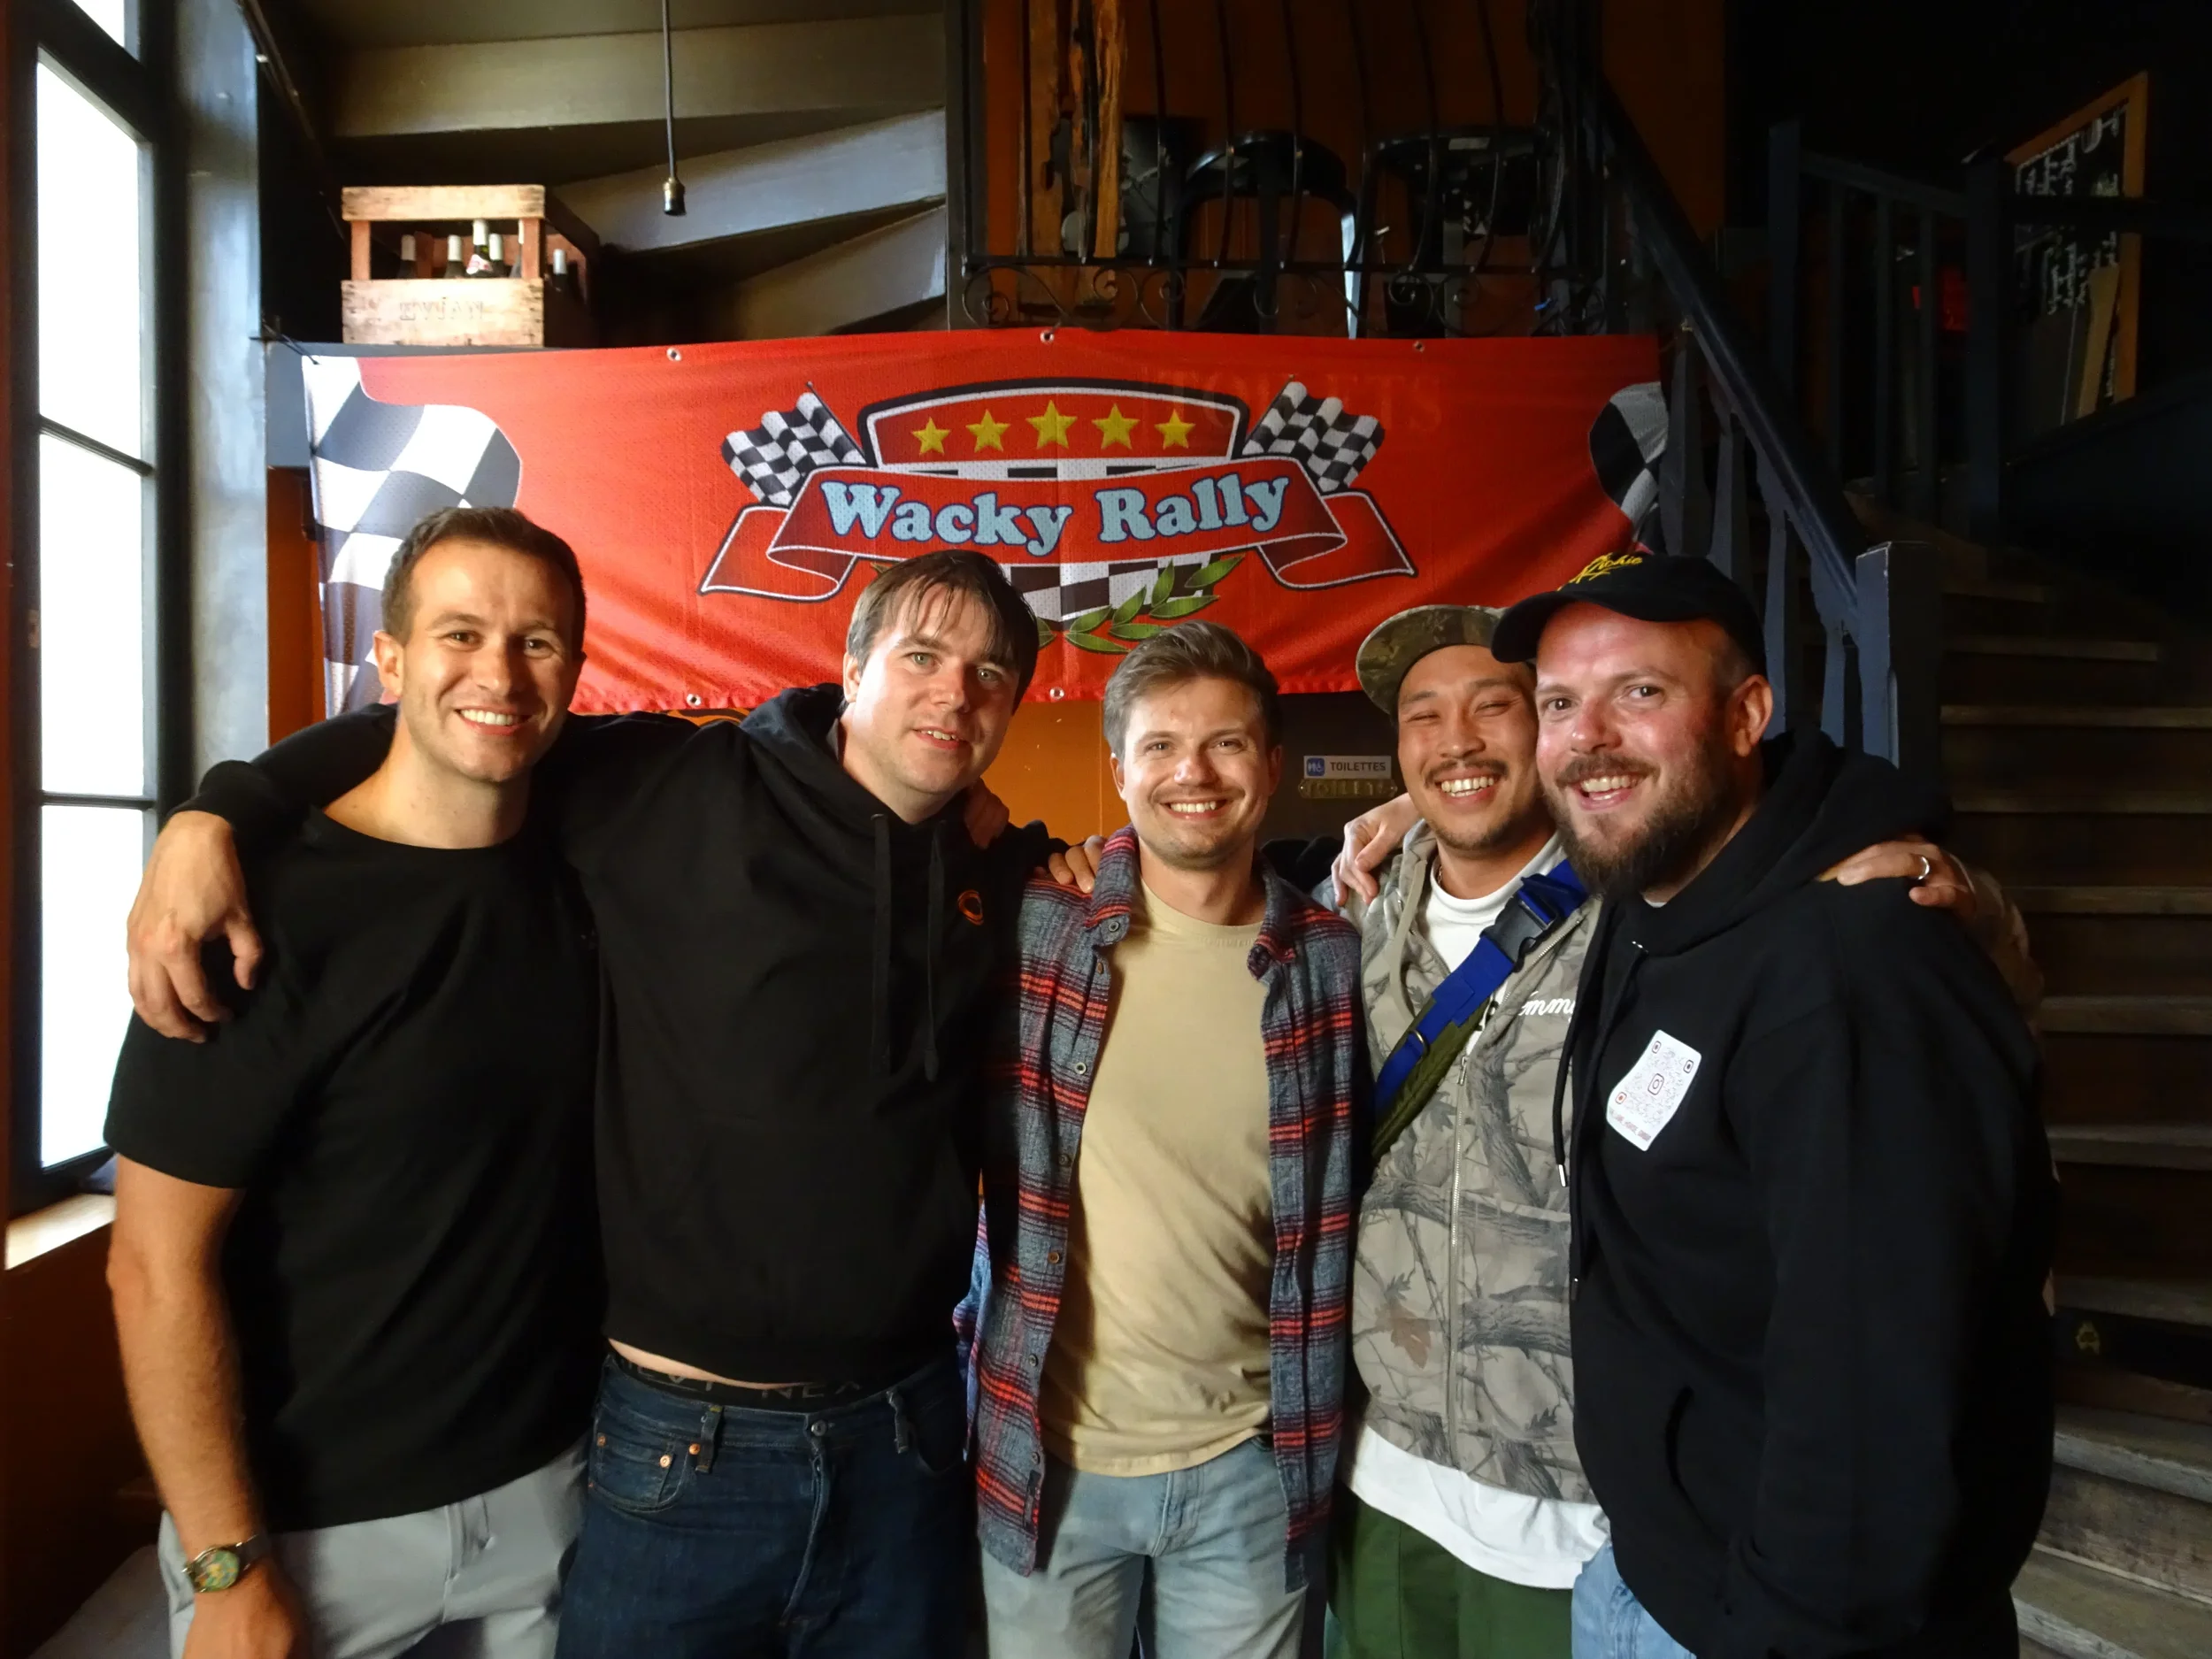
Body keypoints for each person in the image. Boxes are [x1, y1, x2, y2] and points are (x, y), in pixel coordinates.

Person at [123, 549, 1057, 1659]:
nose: (955, 692)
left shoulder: (992, 868)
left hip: (903, 1435)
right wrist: (220, 807)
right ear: (851, 666)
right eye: (921, 657)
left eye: (990, 673)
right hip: (678, 1445)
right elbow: (468, 727)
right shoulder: (675, 785)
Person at [1309, 599, 2040, 1659]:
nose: (1455, 739)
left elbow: (1881, 1346)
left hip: (1582, 1521)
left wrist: (1961, 893)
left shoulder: (1673, 905)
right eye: (1422, 718)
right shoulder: (1345, 917)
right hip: (1384, 1476)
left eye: (1494, 707)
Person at [105, 508, 603, 1659]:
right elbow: (150, 1262)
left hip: (551, 1492)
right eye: (460, 633)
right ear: (387, 659)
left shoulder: (588, 848)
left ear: (575, 668)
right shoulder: (249, 921)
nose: (500, 672)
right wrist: (226, 1559)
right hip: (312, 1529)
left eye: (538, 642)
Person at [970, 624, 1367, 1659]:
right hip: (1048, 1460)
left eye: (1227, 744)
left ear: (1272, 766)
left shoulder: (1332, 963)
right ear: (1120, 769)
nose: (1192, 773)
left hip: (1254, 1462)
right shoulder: (1042, 930)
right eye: (1159, 747)